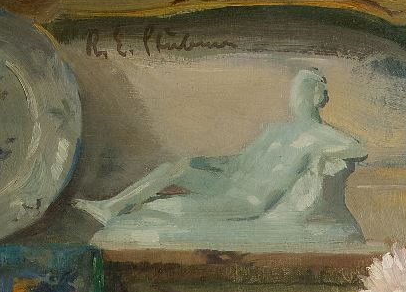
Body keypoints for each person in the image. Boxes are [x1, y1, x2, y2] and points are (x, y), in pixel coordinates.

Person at [72, 69, 367, 248]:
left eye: (304, 90)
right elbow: (238, 160)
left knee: (167, 208)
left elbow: (358, 149)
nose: (296, 98)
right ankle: (111, 206)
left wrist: (323, 156)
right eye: (295, 91)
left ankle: (118, 211)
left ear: (318, 97)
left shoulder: (322, 137)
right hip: (229, 181)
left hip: (249, 202)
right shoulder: (276, 131)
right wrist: (205, 163)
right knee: (178, 168)